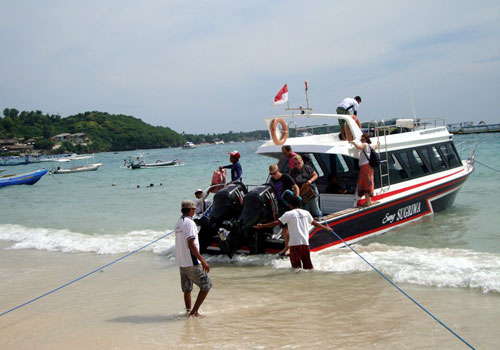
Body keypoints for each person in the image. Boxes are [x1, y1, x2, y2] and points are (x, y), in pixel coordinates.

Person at [253, 196, 332, 269]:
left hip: (294, 244)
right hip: (305, 244)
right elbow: (315, 224)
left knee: (296, 268)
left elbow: (276, 223)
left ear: (290, 205)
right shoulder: (306, 213)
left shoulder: (288, 214)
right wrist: (326, 228)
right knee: (308, 267)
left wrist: (262, 226)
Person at [174, 200, 212, 317]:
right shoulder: (190, 223)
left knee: (187, 288)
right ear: (191, 210)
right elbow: (191, 244)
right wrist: (203, 261)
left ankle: (188, 311)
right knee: (206, 285)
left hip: (181, 262)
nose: (195, 211)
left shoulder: (178, 222)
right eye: (194, 209)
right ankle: (194, 312)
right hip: (191, 262)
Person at [350, 133, 380, 207]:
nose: (361, 141)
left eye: (362, 139)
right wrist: (378, 143)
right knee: (369, 183)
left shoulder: (365, 145)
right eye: (361, 139)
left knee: (365, 183)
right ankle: (369, 201)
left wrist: (353, 142)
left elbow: (358, 147)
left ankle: (368, 202)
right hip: (369, 167)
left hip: (365, 167)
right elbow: (376, 147)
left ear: (366, 140)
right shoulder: (370, 146)